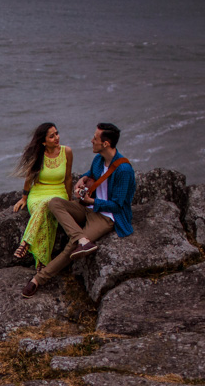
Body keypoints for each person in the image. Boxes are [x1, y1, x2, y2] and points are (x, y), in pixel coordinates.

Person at [22, 122, 135, 298]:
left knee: (72, 246)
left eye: (95, 138)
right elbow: (91, 174)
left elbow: (118, 206)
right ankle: (82, 238)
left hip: (106, 217)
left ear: (105, 144)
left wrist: (92, 201)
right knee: (54, 203)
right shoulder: (99, 159)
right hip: (88, 208)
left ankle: (38, 279)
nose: (91, 140)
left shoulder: (124, 170)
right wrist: (82, 179)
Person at [11, 123, 73, 270]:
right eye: (52, 136)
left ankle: (26, 242)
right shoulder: (38, 155)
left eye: (57, 134)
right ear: (44, 141)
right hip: (38, 193)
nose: (56, 138)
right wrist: (25, 198)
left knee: (48, 204)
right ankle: (41, 263)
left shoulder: (67, 152)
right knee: (45, 217)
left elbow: (68, 178)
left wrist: (70, 201)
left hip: (59, 192)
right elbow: (29, 178)